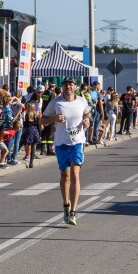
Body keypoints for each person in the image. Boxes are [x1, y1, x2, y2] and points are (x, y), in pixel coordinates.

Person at [40, 77, 90, 226]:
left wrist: (87, 120)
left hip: (77, 142)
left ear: (75, 87)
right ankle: (65, 204)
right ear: (62, 87)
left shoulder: (82, 101)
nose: (68, 87)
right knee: (65, 175)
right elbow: (42, 120)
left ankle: (73, 211)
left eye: (71, 84)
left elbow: (87, 113)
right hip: (61, 143)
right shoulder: (56, 102)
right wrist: (54, 118)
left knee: (75, 174)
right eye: (65, 85)